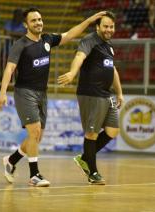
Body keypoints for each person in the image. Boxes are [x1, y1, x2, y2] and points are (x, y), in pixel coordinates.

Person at [0, 7, 106, 187]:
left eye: (40, 19)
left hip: (42, 93)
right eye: (34, 20)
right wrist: (2, 93)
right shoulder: (20, 44)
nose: (38, 23)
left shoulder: (47, 39)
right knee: (34, 132)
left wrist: (89, 21)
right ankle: (34, 175)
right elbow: (9, 68)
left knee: (37, 137)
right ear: (26, 25)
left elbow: (70, 34)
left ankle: (11, 160)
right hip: (25, 92)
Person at [58, 12, 123, 185]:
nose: (109, 29)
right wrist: (72, 72)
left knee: (113, 131)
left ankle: (85, 157)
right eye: (105, 26)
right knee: (92, 133)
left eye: (111, 26)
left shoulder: (108, 45)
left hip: (106, 94)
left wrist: (120, 92)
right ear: (97, 27)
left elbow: (113, 70)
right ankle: (92, 172)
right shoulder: (89, 40)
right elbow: (79, 56)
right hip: (91, 93)